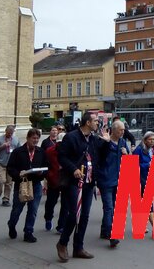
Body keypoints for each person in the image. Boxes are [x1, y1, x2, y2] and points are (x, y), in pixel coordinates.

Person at [56, 111, 108, 262]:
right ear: (88, 123)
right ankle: (62, 243)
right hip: (73, 183)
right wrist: (73, 169)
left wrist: (105, 142)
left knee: (84, 216)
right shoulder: (71, 137)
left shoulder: (93, 138)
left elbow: (100, 157)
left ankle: (78, 247)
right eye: (96, 121)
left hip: (89, 182)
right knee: (74, 215)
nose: (98, 123)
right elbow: (62, 157)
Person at [6, 128, 48, 243]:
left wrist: (42, 172)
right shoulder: (18, 152)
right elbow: (10, 168)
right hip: (22, 184)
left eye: (37, 138)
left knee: (33, 209)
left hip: (35, 184)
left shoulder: (41, 152)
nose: (35, 140)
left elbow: (46, 167)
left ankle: (28, 232)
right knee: (17, 209)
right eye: (33, 138)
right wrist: (18, 174)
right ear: (28, 138)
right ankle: (12, 224)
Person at [97, 120, 128, 247]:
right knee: (109, 207)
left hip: (118, 179)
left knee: (113, 208)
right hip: (106, 179)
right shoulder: (105, 142)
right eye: (121, 130)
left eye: (123, 130)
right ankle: (112, 235)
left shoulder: (123, 142)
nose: (123, 132)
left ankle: (105, 231)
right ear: (114, 130)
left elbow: (128, 160)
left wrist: (126, 154)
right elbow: (99, 156)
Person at [133, 130, 154, 231]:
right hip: (140, 179)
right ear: (145, 140)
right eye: (150, 139)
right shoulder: (138, 150)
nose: (152, 141)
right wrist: (148, 165)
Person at [44, 132, 68, 233]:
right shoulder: (49, 151)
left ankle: (61, 225)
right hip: (54, 179)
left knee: (65, 204)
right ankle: (48, 217)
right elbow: (45, 165)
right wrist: (48, 176)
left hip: (66, 180)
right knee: (51, 201)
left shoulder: (69, 152)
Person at [0, 125, 20, 206]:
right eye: (9, 132)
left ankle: (6, 199)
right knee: (0, 181)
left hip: (11, 165)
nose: (10, 134)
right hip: (1, 163)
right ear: (5, 131)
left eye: (12, 133)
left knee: (9, 183)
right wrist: (2, 146)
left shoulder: (16, 139)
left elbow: (19, 150)